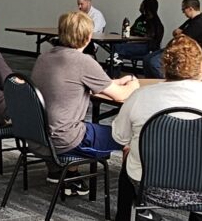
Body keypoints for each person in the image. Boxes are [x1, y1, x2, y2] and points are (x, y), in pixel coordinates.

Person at [113, 35, 202, 221]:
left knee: (129, 152)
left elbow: (119, 137)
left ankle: (128, 216)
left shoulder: (140, 96)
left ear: (164, 66)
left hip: (150, 188)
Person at [32, 11, 140, 195]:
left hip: (38, 136)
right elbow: (120, 95)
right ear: (89, 37)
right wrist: (133, 83)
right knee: (131, 135)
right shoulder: (83, 61)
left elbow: (75, 83)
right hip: (66, 139)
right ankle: (134, 192)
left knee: (75, 121)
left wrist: (112, 82)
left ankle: (64, 174)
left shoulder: (45, 57)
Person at [110, 0, 165, 66]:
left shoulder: (155, 24)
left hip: (144, 47)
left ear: (147, 7)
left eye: (142, 5)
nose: (140, 7)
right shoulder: (141, 19)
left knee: (118, 48)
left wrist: (132, 41)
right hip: (131, 42)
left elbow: (150, 41)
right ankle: (114, 66)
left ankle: (113, 70)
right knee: (115, 43)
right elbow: (130, 31)